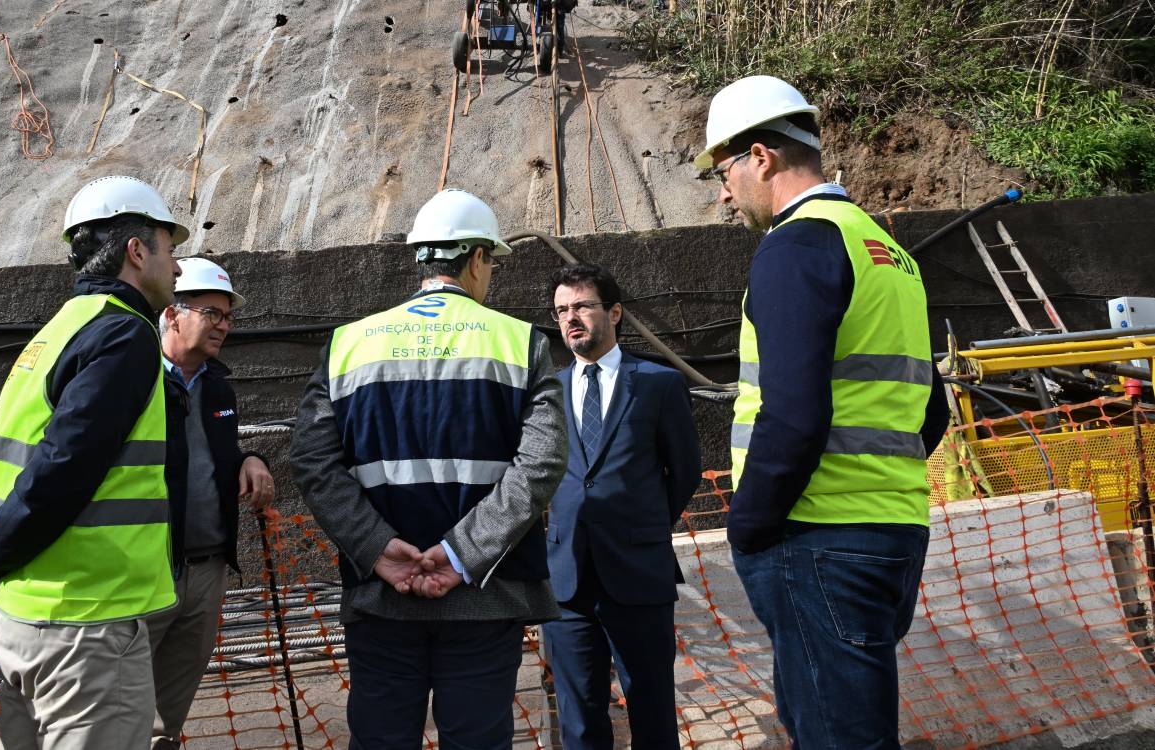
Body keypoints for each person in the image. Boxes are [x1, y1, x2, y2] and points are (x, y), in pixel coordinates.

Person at [694, 76, 950, 747]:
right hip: (892, 528)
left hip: (816, 538)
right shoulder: (887, 252)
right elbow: (930, 410)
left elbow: (793, 415)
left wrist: (748, 526)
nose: (723, 195)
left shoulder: (796, 246)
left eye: (722, 173)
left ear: (760, 157)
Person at [290, 188, 567, 749]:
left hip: (381, 596)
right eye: (491, 263)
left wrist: (375, 547)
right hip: (486, 597)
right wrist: (462, 553)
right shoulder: (521, 342)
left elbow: (312, 460)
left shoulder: (348, 345)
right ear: (477, 258)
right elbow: (542, 462)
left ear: (421, 257)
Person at [0, 174, 186, 748]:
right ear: (137, 251)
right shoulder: (125, 334)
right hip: (87, 626)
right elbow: (64, 466)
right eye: (170, 249)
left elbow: (3, 467)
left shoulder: (55, 334)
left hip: (21, 616)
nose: (178, 269)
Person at [542, 263, 701, 750]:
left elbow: (685, 472)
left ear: (614, 313)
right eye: (562, 310)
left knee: (652, 711)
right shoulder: (547, 390)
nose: (571, 318)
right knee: (579, 718)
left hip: (638, 573)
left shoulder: (658, 383)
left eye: (582, 306)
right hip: (567, 580)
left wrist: (641, 528)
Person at [147, 257, 276, 750]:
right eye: (211, 313)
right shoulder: (135, 380)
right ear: (172, 315)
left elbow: (210, 455)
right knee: (119, 712)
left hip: (207, 571)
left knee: (167, 720)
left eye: (227, 316)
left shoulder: (218, 385)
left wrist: (251, 458)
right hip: (148, 571)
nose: (223, 325)